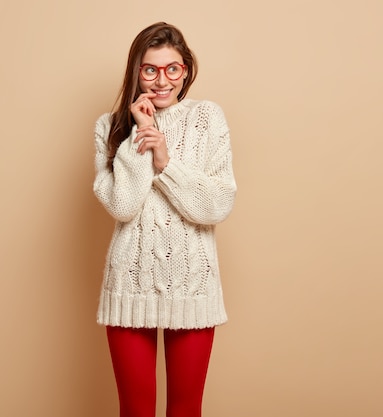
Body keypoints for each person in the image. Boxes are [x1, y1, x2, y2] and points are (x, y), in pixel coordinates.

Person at [92, 22, 236, 417]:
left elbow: (218, 204)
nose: (161, 81)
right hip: (129, 287)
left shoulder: (208, 118)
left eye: (172, 68)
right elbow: (123, 205)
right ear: (136, 70)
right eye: (150, 70)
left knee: (186, 411)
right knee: (135, 411)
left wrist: (165, 162)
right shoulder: (111, 127)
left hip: (193, 286)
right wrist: (143, 132)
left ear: (186, 69)